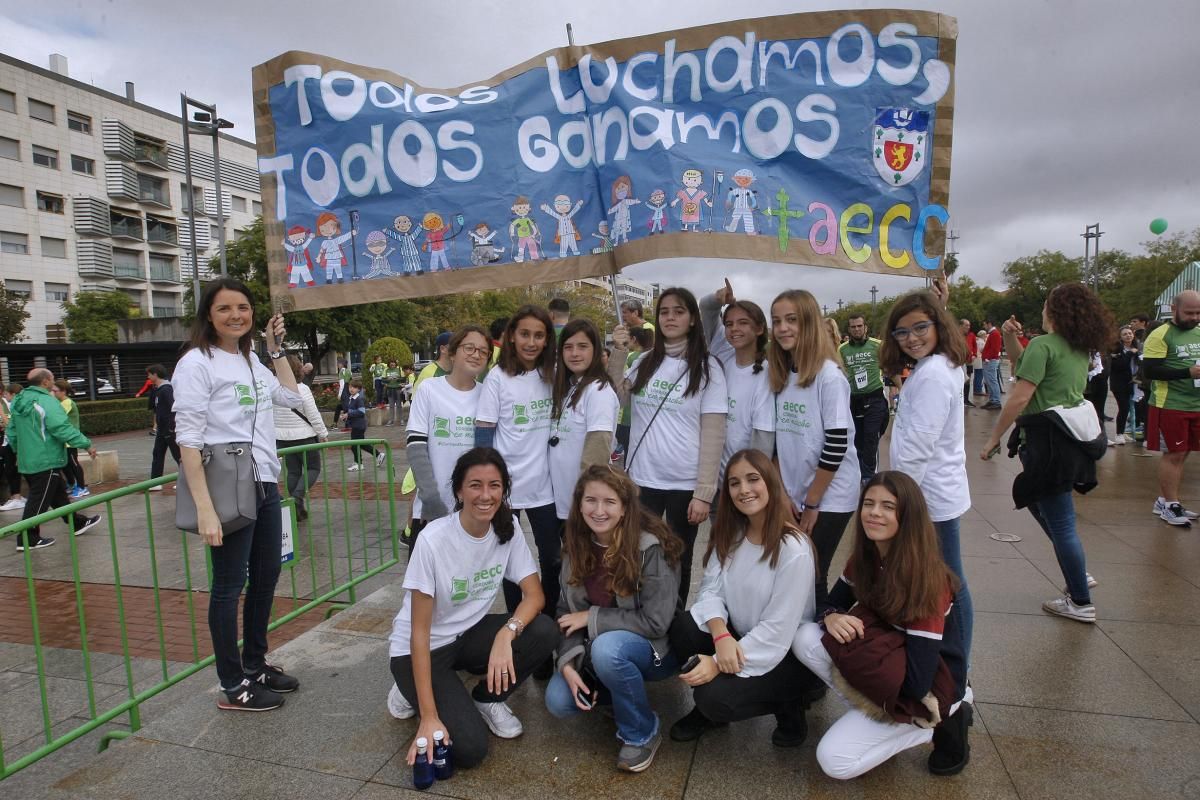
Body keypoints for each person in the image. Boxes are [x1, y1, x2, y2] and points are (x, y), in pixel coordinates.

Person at [172, 277, 304, 710]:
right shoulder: (197, 363)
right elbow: (188, 441)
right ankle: (233, 683)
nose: (235, 316)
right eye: (225, 308)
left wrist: (275, 349)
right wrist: (205, 510)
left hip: (264, 480)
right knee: (229, 586)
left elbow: (290, 395)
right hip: (227, 485)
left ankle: (255, 663)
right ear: (208, 314)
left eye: (243, 308)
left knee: (266, 577)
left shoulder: (250, 362)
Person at [388, 448, 559, 770]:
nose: (485, 495)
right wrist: (428, 717)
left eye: (494, 485)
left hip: (466, 637)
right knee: (469, 750)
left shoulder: (506, 530)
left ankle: (487, 698)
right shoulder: (433, 540)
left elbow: (535, 596)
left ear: (504, 490)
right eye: (475, 485)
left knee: (544, 630)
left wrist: (505, 635)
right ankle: (408, 687)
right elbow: (419, 633)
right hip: (418, 650)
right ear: (458, 491)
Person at [792, 471, 970, 780]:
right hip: (887, 659)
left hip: (931, 687)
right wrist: (832, 616)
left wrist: (868, 671)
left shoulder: (927, 579)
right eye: (869, 503)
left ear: (908, 515)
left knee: (834, 761)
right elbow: (829, 604)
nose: (875, 512)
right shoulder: (866, 557)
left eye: (888, 506)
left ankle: (939, 722)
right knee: (806, 636)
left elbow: (916, 683)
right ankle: (873, 718)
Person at [668, 450, 820, 747]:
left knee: (713, 698)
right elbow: (710, 590)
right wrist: (721, 635)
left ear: (771, 484)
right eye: (735, 483)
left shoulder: (793, 548)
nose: (744, 490)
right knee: (683, 628)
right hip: (739, 632)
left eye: (753, 479)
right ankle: (715, 712)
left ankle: (790, 702)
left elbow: (777, 630)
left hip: (785, 653)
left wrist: (714, 662)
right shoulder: (732, 533)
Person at [980, 284, 1114, 622]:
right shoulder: (1077, 347)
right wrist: (1012, 336)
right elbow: (1017, 360)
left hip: (1045, 444)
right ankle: (1076, 571)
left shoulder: (1043, 345)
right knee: (1042, 506)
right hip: (1068, 442)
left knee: (1061, 522)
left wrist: (994, 437)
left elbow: (1020, 397)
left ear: (1052, 310)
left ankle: (1080, 599)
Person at [545, 465, 683, 773]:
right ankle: (622, 696)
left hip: (656, 650)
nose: (599, 510)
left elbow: (657, 622)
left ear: (624, 508)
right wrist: (566, 663)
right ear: (579, 505)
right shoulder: (576, 545)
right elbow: (565, 614)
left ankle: (643, 732)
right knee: (558, 700)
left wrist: (591, 617)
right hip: (598, 648)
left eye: (609, 502)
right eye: (590, 500)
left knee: (608, 649)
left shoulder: (650, 548)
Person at [610, 288, 727, 605]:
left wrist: (704, 492)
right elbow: (611, 398)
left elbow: (714, 432)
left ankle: (671, 621)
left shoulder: (708, 367)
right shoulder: (645, 361)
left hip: (684, 485)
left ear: (692, 320)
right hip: (641, 480)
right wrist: (618, 352)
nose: (671, 317)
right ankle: (637, 615)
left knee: (677, 560)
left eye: (679, 311)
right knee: (636, 554)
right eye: (664, 312)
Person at [880, 290, 974, 662]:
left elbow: (919, 446)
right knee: (947, 581)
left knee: (949, 585)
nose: (912, 338)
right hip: (934, 493)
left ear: (937, 325)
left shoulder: (934, 373)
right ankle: (952, 662)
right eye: (902, 333)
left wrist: (895, 503)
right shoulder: (939, 364)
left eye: (920, 327)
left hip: (927, 498)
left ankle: (957, 669)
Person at [768, 290, 860, 610]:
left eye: (791, 320)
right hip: (796, 494)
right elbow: (778, 444)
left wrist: (812, 502)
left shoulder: (828, 376)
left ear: (809, 323)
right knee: (796, 569)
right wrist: (782, 493)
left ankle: (822, 638)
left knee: (811, 572)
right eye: (777, 321)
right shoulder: (781, 375)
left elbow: (836, 444)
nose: (782, 328)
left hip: (829, 495)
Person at [475, 306, 560, 620]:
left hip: (545, 486)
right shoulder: (497, 378)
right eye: (525, 333)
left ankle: (548, 623)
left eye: (539, 335)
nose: (531, 342)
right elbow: (484, 433)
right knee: (508, 559)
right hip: (506, 489)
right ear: (511, 336)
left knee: (552, 558)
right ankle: (519, 623)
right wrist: (485, 485)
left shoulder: (552, 372)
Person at [405, 325, 490, 550]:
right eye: (469, 348)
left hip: (474, 508)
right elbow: (416, 447)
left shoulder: (488, 395)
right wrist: (431, 498)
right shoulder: (429, 390)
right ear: (452, 352)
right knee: (425, 583)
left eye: (483, 351)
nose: (476, 354)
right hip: (432, 508)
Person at [7, 369, 102, 551]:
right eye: (51, 379)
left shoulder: (18, 401)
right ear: (45, 382)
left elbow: (12, 431)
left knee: (57, 495)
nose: (53, 381)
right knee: (38, 501)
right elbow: (61, 428)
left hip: (29, 459)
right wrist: (86, 444)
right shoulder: (47, 401)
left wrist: (19, 452)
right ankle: (28, 538)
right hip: (46, 459)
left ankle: (78, 523)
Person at [698, 279, 775, 482]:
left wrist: (748, 480)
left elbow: (763, 441)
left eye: (743, 323)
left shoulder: (767, 374)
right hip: (714, 477)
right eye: (729, 324)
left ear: (759, 329)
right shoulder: (722, 353)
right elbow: (705, 308)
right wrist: (719, 298)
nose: (734, 329)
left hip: (741, 480)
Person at [548, 319, 619, 522]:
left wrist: (588, 498)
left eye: (583, 346)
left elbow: (598, 448)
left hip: (581, 504)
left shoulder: (598, 391)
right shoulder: (569, 386)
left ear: (595, 350)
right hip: (561, 499)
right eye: (568, 347)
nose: (574, 353)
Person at [1142, 290, 1200, 526]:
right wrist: (1186, 372)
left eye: (1198, 313)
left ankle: (1165, 500)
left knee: (1184, 451)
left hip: (1195, 403)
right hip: (1170, 405)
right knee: (1174, 453)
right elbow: (1151, 371)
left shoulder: (1198, 332)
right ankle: (1170, 505)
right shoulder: (1160, 335)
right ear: (1174, 309)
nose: (1195, 317)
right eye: (1189, 312)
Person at [272, 354, 328, 521]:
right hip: (304, 436)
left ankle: (297, 508)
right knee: (313, 468)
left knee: (293, 470)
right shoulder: (302, 389)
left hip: (282, 437)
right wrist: (323, 433)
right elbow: (313, 414)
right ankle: (297, 497)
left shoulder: (275, 389)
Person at [840, 314, 888, 481]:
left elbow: (890, 366)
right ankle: (859, 472)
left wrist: (900, 389)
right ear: (849, 329)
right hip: (853, 400)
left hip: (874, 398)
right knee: (856, 439)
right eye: (853, 327)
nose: (857, 329)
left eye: (860, 326)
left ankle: (868, 476)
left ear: (865, 327)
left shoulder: (877, 345)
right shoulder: (842, 349)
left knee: (870, 438)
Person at [613, 326, 653, 462]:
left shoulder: (634, 357)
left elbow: (619, 387)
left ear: (634, 339)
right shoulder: (648, 357)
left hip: (627, 415)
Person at [50, 380, 89, 499]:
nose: (53, 393)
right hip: (63, 440)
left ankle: (82, 487)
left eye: (55, 391)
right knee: (65, 465)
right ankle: (72, 484)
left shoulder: (67, 402)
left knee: (73, 463)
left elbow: (57, 416)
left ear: (63, 391)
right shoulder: (59, 401)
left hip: (70, 440)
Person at [146, 364, 181, 491]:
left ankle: (187, 480)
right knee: (158, 453)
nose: (148, 377)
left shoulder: (167, 390)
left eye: (150, 374)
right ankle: (156, 482)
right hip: (162, 428)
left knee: (178, 454)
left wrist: (172, 426)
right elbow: (153, 407)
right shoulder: (158, 389)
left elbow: (173, 408)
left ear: (155, 374)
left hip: (169, 428)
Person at [344, 378, 384, 471]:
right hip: (356, 425)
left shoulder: (358, 399)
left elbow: (361, 412)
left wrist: (349, 414)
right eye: (350, 387)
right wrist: (346, 416)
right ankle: (377, 455)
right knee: (361, 444)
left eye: (354, 387)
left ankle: (359, 463)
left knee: (355, 445)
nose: (351, 389)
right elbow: (353, 411)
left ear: (358, 389)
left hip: (359, 426)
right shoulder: (352, 398)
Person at [1108, 326, 1139, 445]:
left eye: (1130, 333)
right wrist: (1130, 354)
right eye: (1125, 334)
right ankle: (1119, 434)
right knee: (1124, 407)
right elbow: (1119, 366)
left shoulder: (1136, 347)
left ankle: (1128, 432)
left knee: (1132, 409)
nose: (1128, 335)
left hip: (1133, 383)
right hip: (1119, 384)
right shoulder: (1117, 349)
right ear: (1120, 337)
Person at [0, 383, 25, 511]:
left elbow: (10, 424)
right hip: (7, 442)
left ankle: (17, 498)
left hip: (12, 442)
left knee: (12, 469)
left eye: (6, 393)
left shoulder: (13, 405)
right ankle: (16, 497)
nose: (4, 395)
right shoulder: (8, 403)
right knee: (9, 470)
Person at [980, 320, 1003, 409]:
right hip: (990, 360)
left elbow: (995, 349)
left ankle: (996, 401)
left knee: (992, 381)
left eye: (984, 324)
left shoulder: (994, 334)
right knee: (990, 381)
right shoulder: (994, 333)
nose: (984, 326)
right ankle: (992, 400)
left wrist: (987, 358)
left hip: (990, 361)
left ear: (989, 324)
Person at [961, 319, 977, 407]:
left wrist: (974, 354)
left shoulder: (971, 335)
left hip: (969, 361)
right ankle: (959, 399)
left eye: (969, 325)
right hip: (959, 362)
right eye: (966, 325)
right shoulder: (956, 335)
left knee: (968, 380)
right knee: (959, 380)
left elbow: (975, 346)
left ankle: (966, 400)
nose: (968, 327)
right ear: (961, 326)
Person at [332, 357, 352, 430]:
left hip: (344, 391)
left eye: (338, 363)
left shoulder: (341, 371)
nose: (337, 365)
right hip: (349, 390)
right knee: (340, 407)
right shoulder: (349, 371)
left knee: (345, 408)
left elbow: (342, 384)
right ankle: (335, 423)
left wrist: (339, 394)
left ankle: (348, 425)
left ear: (342, 364)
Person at [383, 359, 404, 426]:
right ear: (389, 364)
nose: (392, 365)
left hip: (398, 389)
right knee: (391, 406)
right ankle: (391, 420)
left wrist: (397, 379)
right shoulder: (386, 370)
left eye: (393, 364)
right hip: (390, 389)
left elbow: (404, 378)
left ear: (395, 364)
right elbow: (383, 380)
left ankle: (400, 420)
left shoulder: (399, 369)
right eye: (391, 364)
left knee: (399, 405)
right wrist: (388, 380)